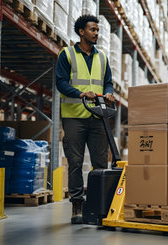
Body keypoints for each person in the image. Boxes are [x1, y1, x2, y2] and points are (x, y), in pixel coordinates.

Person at [55, 14, 114, 224]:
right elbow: (60, 83)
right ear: (81, 32)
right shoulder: (67, 54)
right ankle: (77, 206)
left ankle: (99, 205)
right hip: (74, 118)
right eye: (93, 29)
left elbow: (108, 82)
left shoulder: (103, 57)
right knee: (75, 162)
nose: (96, 33)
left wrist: (108, 93)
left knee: (100, 163)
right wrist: (80, 94)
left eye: (97, 30)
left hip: (98, 117)